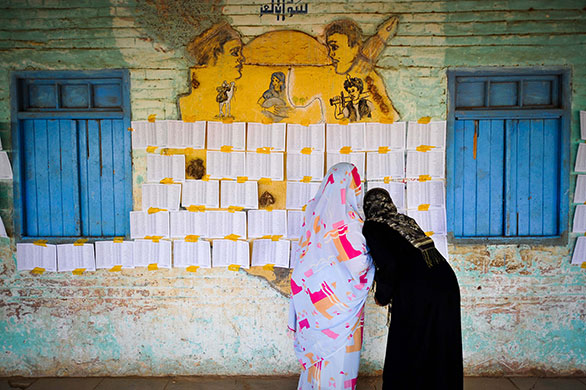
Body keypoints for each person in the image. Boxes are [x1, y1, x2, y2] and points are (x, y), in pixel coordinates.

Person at [361, 188, 463, 390]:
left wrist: (382, 295)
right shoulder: (404, 221)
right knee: (440, 341)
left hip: (419, 289)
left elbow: (388, 264)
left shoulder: (372, 226)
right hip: (446, 282)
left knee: (408, 341)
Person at [288, 163, 374, 390]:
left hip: (313, 297)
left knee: (317, 354)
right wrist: (374, 259)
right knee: (339, 359)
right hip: (340, 302)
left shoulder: (313, 212)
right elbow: (358, 265)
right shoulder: (350, 221)